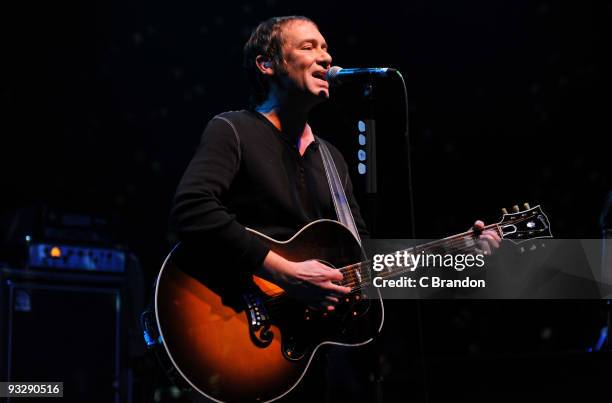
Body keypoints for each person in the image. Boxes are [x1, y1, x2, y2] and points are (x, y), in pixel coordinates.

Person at [170, 15, 501, 401]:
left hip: (306, 358)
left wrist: (457, 255)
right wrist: (287, 272)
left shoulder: (331, 159)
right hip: (239, 324)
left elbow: (364, 263)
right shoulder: (232, 130)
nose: (326, 58)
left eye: (326, 48)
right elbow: (191, 210)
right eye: (308, 47)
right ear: (267, 64)